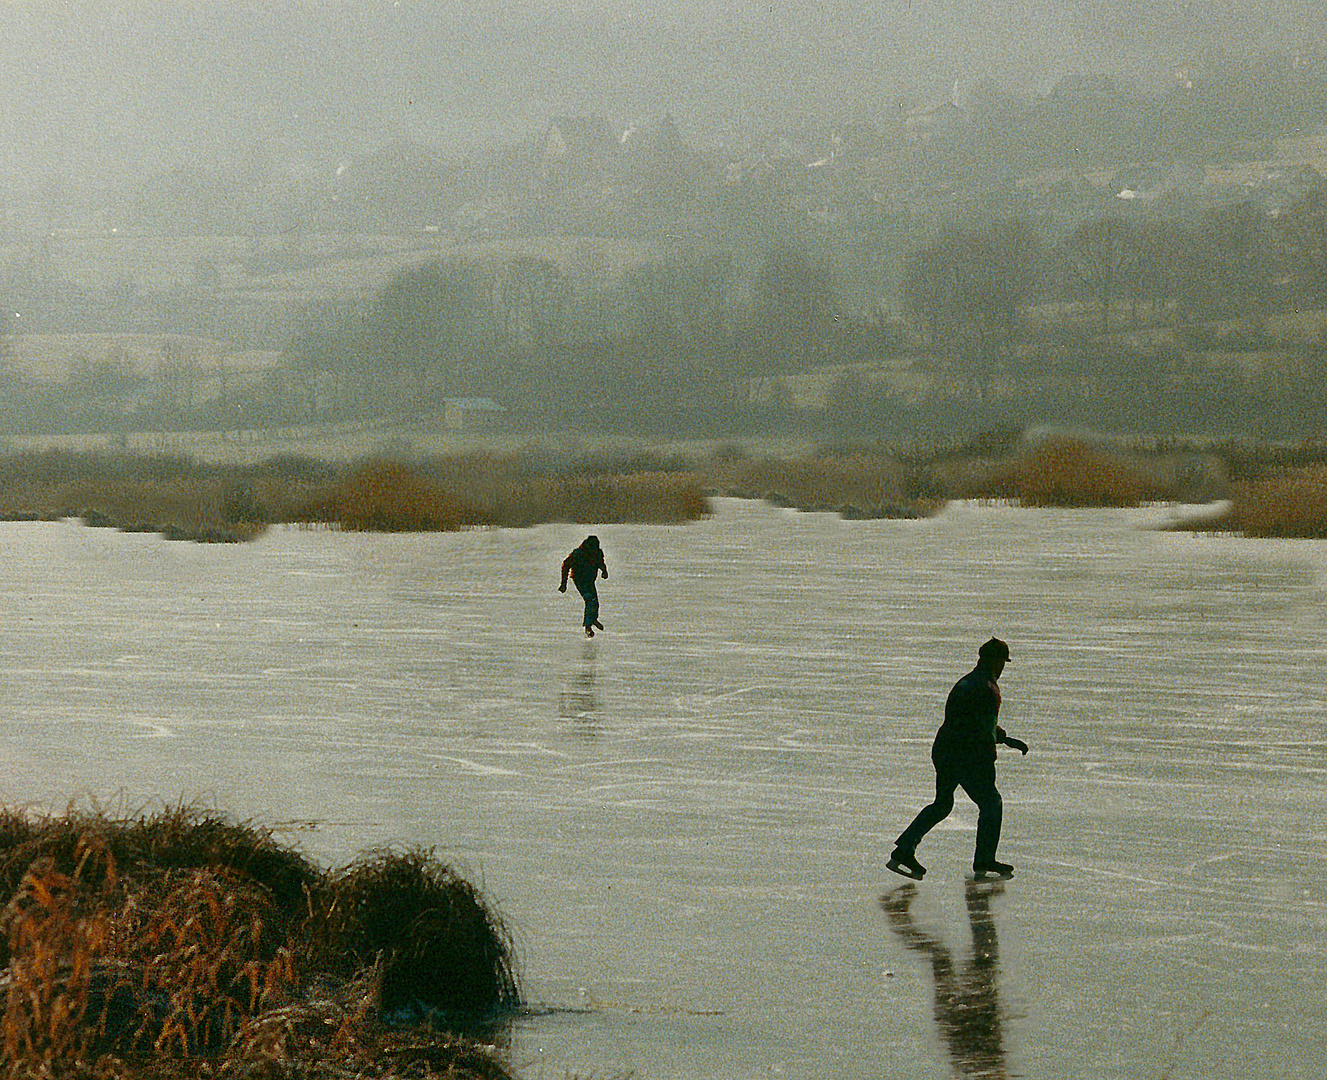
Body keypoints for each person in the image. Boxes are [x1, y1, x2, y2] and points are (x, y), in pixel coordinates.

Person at [887, 637, 1028, 881]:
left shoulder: (967, 682)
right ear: (994, 661)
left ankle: (903, 850)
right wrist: (989, 757)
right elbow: (981, 731)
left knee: (942, 804)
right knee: (991, 803)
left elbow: (969, 721)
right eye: (1002, 662)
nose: (1003, 668)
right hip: (965, 755)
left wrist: (1003, 737)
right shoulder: (988, 688)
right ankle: (984, 859)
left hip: (945, 750)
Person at [559, 535, 608, 637]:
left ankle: (593, 619)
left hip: (590, 580)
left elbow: (601, 563)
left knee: (595, 602)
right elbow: (566, 565)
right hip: (580, 580)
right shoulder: (578, 553)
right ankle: (588, 626)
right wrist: (564, 583)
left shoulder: (598, 552)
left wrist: (604, 571)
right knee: (590, 600)